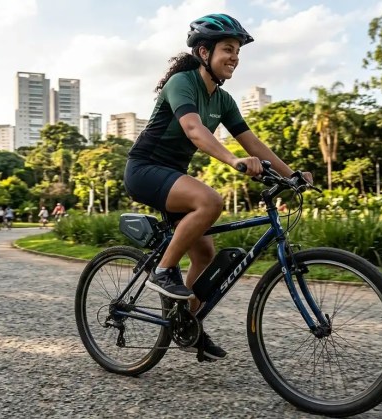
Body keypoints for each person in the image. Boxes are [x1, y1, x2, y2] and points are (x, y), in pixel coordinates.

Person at [123, 14, 312, 361]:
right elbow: (194, 130)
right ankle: (164, 271)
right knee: (210, 201)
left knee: (205, 255)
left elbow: (251, 140)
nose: (235, 58)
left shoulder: (223, 100)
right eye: (228, 49)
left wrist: (292, 175)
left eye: (238, 51)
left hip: (173, 177)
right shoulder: (182, 82)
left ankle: (186, 324)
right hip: (146, 170)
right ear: (203, 51)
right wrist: (234, 162)